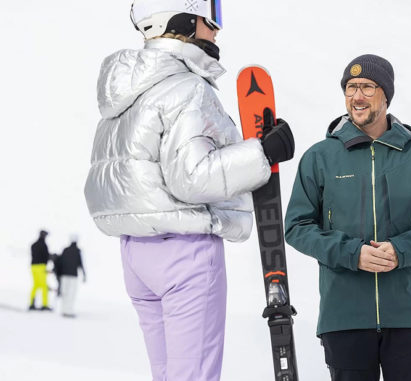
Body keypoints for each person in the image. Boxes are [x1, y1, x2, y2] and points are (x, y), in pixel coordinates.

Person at [84, 1, 294, 380]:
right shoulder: (188, 88)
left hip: (136, 253)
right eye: (211, 19)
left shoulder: (126, 92)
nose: (217, 30)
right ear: (182, 20)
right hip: (185, 254)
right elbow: (193, 178)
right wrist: (264, 152)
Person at [285, 54, 411, 381]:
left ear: (386, 94)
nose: (357, 96)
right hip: (345, 315)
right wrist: (353, 253)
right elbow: (297, 227)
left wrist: (402, 250)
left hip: (409, 315)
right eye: (351, 88)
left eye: (367, 86)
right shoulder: (320, 157)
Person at [59, 236, 86, 318]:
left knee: (64, 293)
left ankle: (63, 310)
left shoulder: (65, 249)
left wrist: (59, 274)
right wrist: (84, 275)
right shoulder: (78, 251)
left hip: (64, 275)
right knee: (71, 293)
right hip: (73, 275)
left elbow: (60, 262)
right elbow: (81, 264)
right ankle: (69, 310)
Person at [29, 230, 52, 311]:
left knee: (36, 285)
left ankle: (31, 303)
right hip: (41, 267)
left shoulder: (33, 245)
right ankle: (45, 304)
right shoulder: (44, 245)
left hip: (33, 267)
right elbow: (46, 257)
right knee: (44, 286)